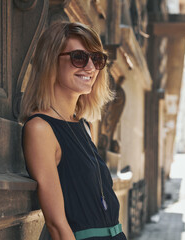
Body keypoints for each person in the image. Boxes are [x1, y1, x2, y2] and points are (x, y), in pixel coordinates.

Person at [20, 22, 127, 240]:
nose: (90, 68)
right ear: (51, 61)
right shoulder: (40, 129)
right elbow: (57, 225)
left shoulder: (84, 126)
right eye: (79, 57)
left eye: (97, 59)